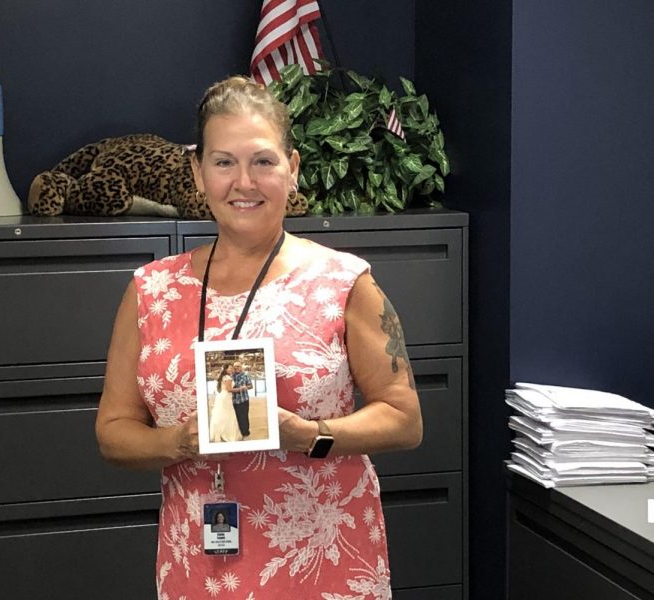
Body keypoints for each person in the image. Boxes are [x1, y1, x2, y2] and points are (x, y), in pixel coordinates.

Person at [96, 75, 423, 599]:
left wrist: (309, 435)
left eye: (263, 161)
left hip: (324, 563)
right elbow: (113, 431)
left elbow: (405, 420)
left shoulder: (344, 282)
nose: (243, 182)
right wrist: (179, 441)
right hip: (200, 567)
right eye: (223, 162)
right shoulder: (151, 291)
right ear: (198, 173)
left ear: (292, 170)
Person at [209, 364, 242, 442]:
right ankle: (227, 433)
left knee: (221, 414)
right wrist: (241, 389)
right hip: (226, 397)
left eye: (232, 368)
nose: (232, 369)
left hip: (221, 396)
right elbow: (229, 389)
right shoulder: (227, 377)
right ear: (226, 369)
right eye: (230, 368)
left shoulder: (222, 377)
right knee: (228, 414)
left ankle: (219, 432)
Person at [230, 360, 252, 437]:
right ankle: (239, 431)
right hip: (234, 400)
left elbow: (250, 386)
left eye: (238, 366)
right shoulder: (231, 376)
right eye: (235, 366)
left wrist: (245, 387)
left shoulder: (245, 375)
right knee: (237, 416)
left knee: (244, 416)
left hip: (244, 399)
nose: (236, 368)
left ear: (241, 367)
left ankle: (245, 431)